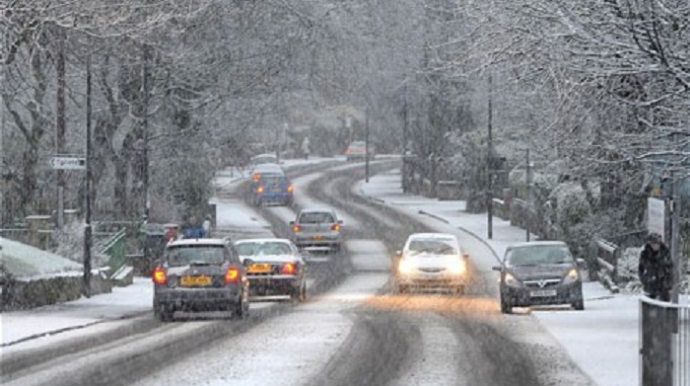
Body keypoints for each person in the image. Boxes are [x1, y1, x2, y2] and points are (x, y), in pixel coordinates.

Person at [638, 233, 673, 301]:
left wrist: (668, 283)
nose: (654, 246)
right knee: (649, 308)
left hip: (664, 287)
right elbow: (640, 269)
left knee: (664, 307)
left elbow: (671, 269)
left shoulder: (666, 253)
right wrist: (645, 280)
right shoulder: (645, 254)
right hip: (650, 286)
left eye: (656, 243)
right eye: (652, 244)